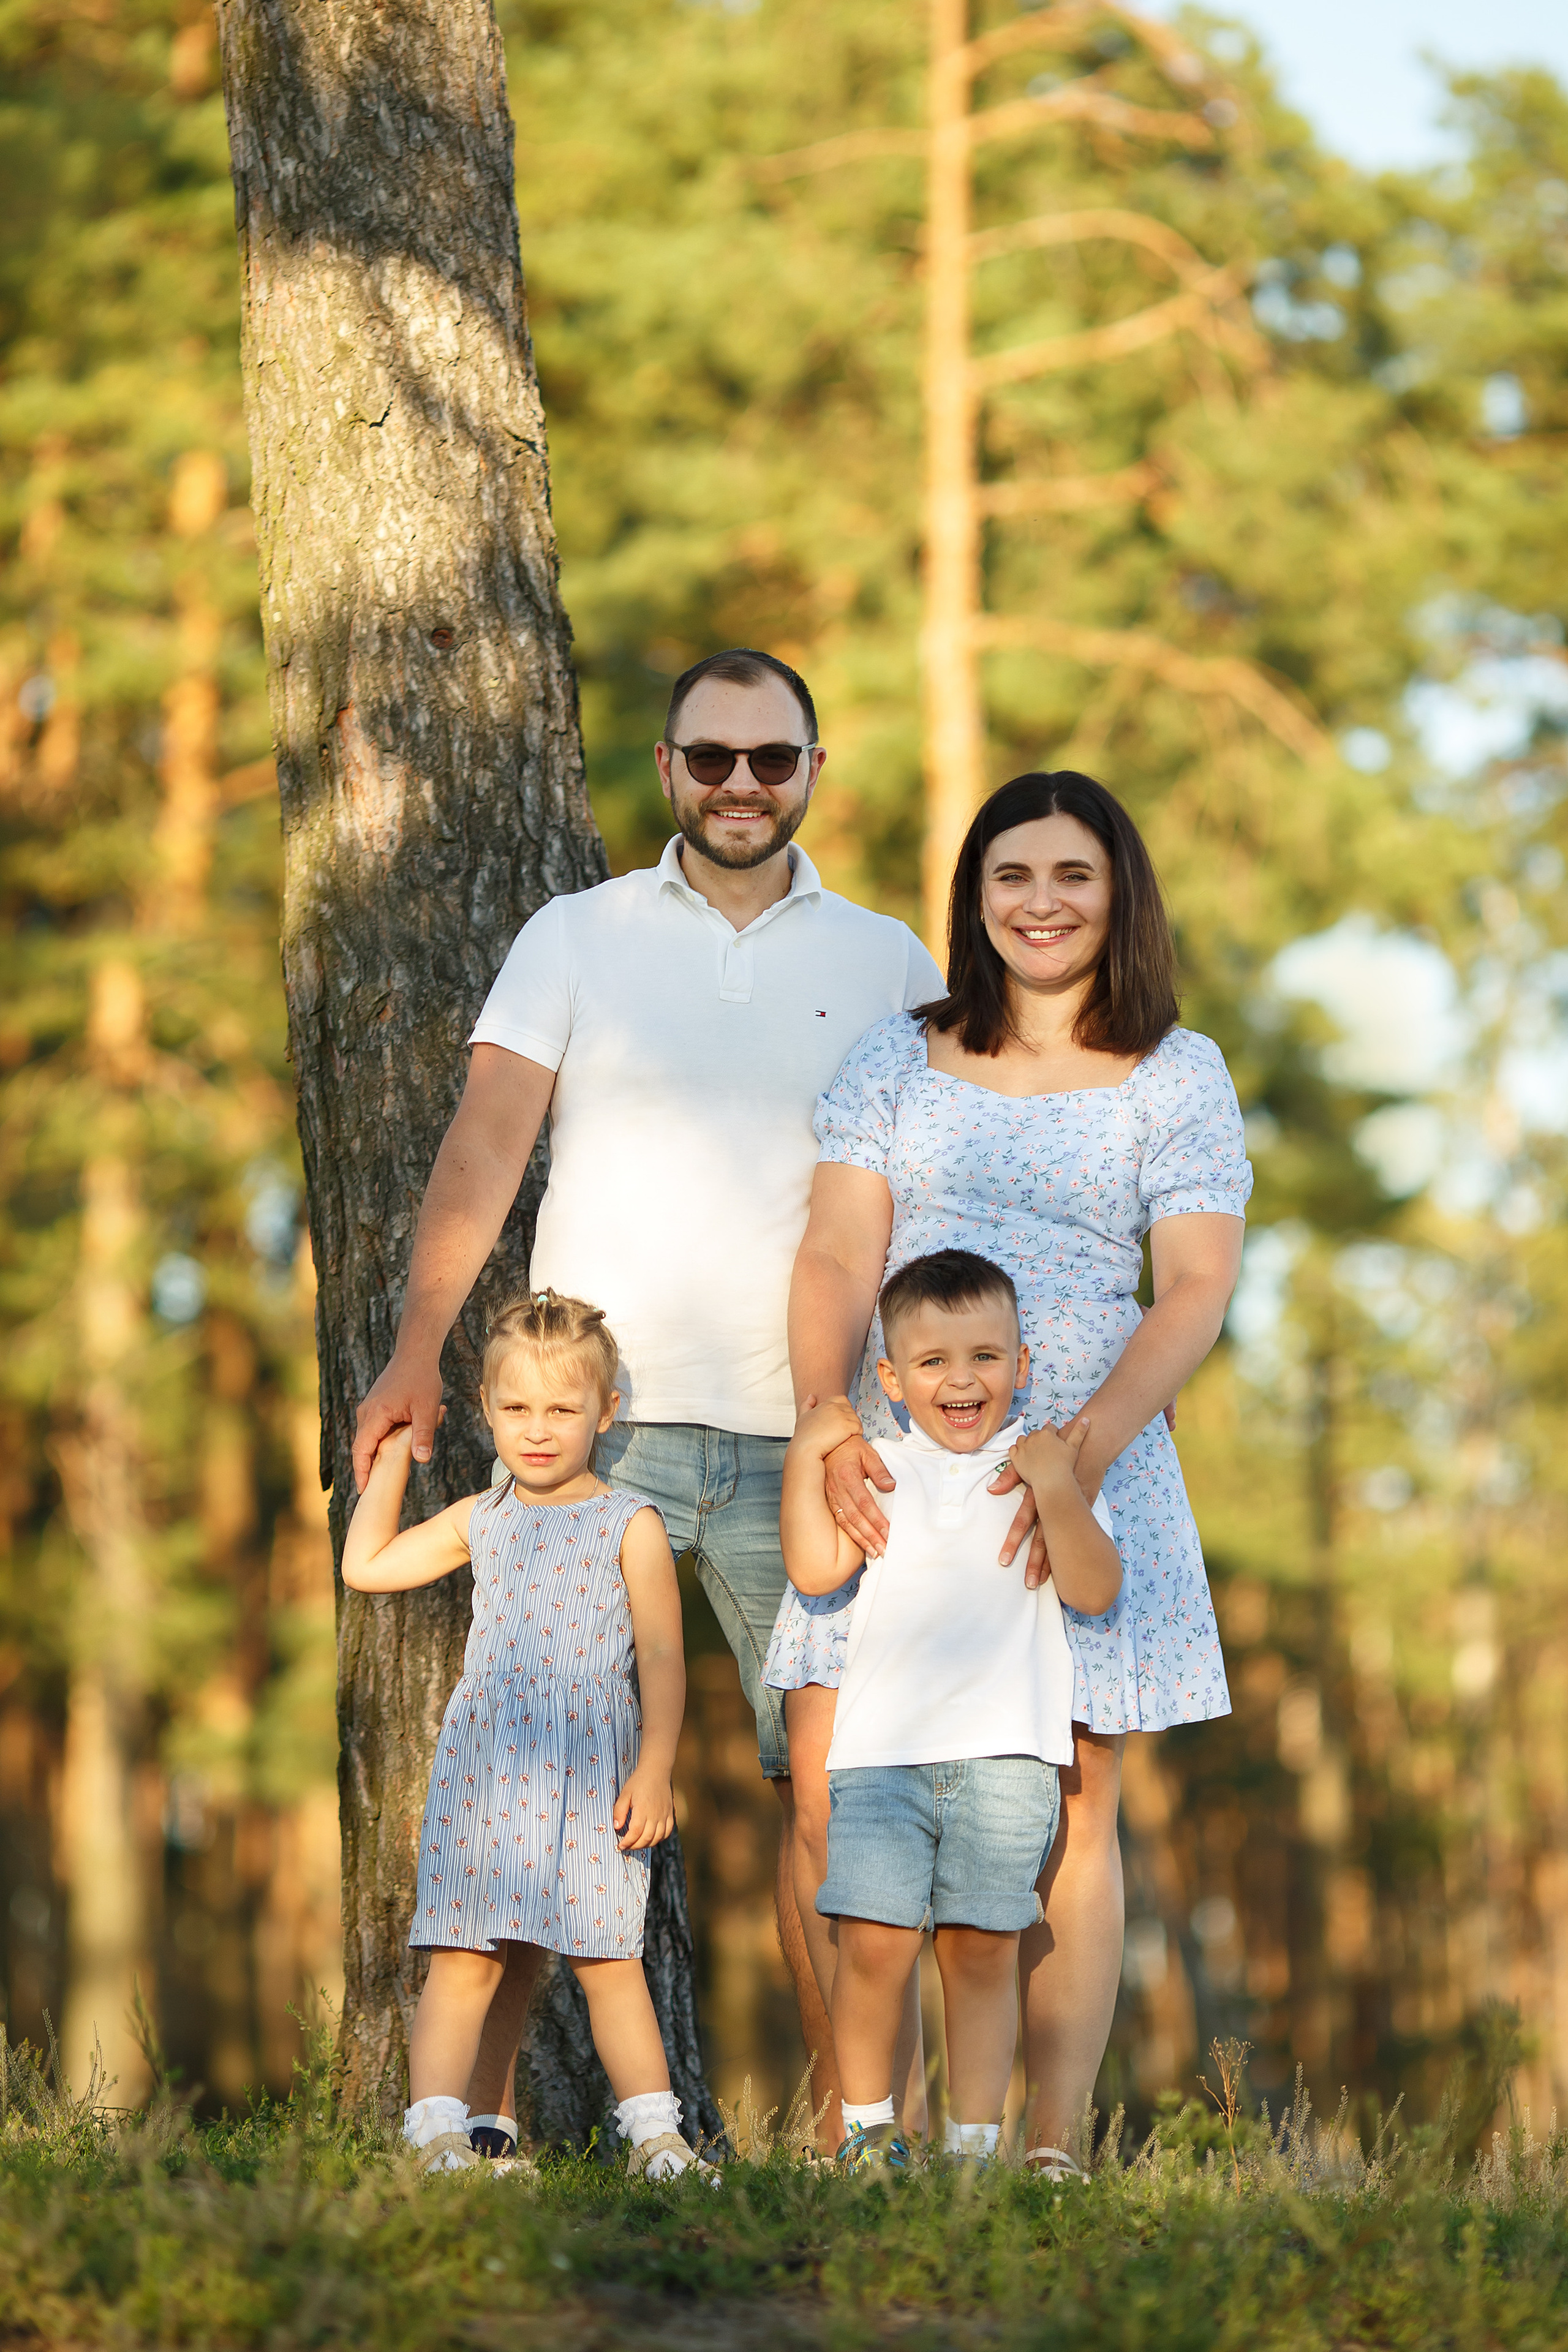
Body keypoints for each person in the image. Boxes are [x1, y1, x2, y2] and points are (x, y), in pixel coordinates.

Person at [352, 647, 944, 2150]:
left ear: (813, 771)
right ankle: (469, 2139)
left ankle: (857, 2140)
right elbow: (485, 1149)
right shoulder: (575, 935)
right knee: (536, 1776)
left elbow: (938, 1196)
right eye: (711, 757)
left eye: (771, 758)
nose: (741, 784)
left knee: (833, 1801)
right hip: (587, 1448)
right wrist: (417, 1349)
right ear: (667, 768)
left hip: (805, 1440)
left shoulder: (890, 962)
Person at [769, 768, 1251, 2173]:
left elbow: (1193, 1285)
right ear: (974, 897)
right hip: (903, 1451)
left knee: (1065, 1813)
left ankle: (1041, 2151)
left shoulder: (1176, 1070)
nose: (1040, 903)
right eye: (1011, 876)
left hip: (1085, 1453)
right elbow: (836, 1252)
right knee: (833, 1783)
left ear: (1117, 895)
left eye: (1070, 875)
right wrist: (821, 1416)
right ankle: (877, 2139)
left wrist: (1076, 1461)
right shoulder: (896, 1055)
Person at [344, 1288, 718, 2183]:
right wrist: (396, 1452)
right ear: (485, 1408)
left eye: (562, 1409)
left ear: (606, 1412)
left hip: (594, 1775)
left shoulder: (631, 1524)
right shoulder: (483, 1518)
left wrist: (656, 1768)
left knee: (608, 1958)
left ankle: (658, 2142)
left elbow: (664, 1657)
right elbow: (366, 1565)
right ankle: (438, 2138)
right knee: (467, 1958)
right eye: (516, 1408)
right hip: (487, 1772)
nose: (538, 1430)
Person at [780, 1249, 1121, 2173]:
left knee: (981, 1951)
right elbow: (815, 1570)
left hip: (1007, 1762)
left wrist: (1057, 1483)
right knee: (874, 1946)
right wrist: (809, 1451)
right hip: (881, 1759)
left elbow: (1095, 1589)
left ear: (1021, 1365)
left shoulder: (1038, 1470)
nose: (961, 1380)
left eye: (985, 1357)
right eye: (933, 1361)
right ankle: (867, 2141)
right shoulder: (879, 1470)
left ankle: (973, 2157)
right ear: (892, 1379)